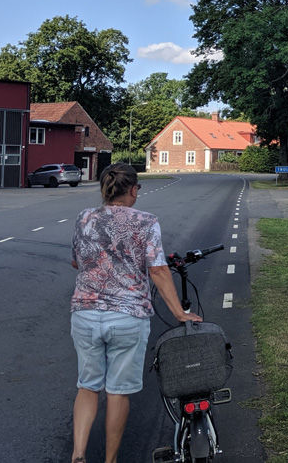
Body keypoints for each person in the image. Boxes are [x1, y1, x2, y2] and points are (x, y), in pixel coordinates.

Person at [69, 163, 201, 463]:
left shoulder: (84, 218)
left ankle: (78, 455)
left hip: (85, 313)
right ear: (133, 189)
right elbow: (158, 269)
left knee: (87, 386)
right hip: (127, 316)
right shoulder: (145, 221)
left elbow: (77, 261)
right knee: (118, 391)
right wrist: (179, 313)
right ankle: (110, 460)